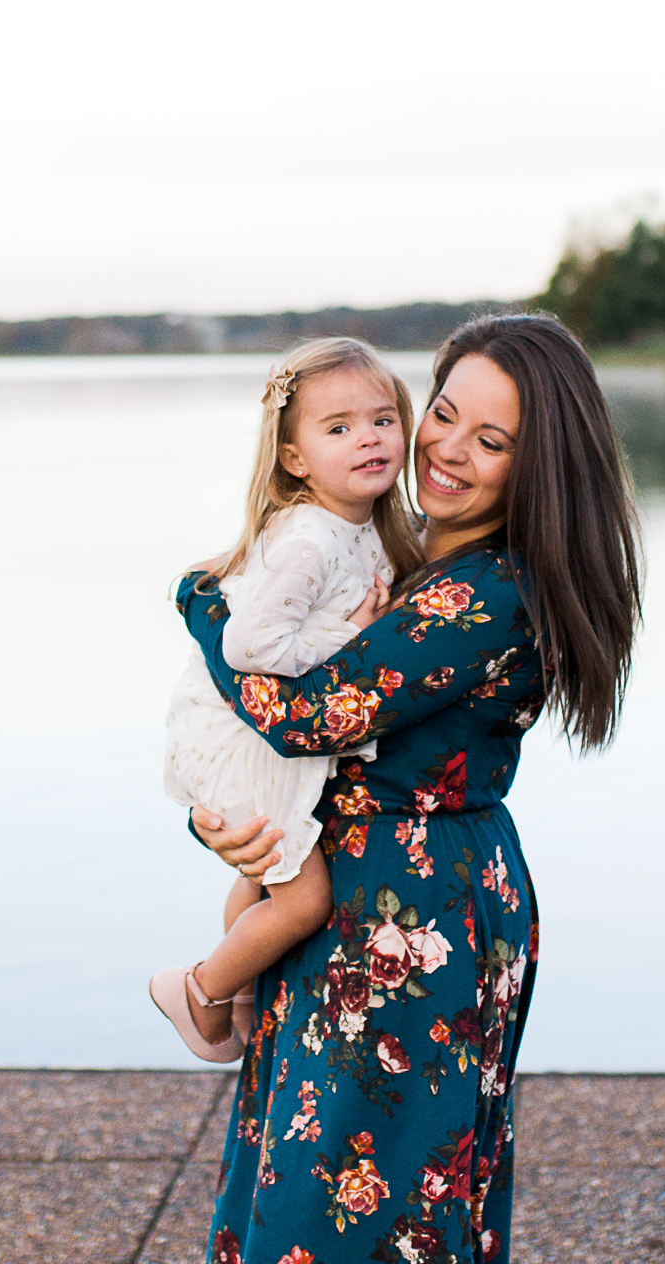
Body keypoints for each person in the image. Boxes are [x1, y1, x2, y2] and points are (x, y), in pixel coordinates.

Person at [178, 313, 641, 1264]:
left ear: (540, 464)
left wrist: (198, 605)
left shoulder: (488, 591)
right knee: (311, 1174)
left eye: (493, 439)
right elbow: (292, 747)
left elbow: (305, 716)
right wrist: (214, 822)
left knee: (368, 1203)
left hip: (410, 920)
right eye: (442, 414)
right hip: (355, 896)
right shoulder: (396, 552)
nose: (447, 450)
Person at [152, 337, 423, 1061]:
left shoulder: (359, 524)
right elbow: (248, 649)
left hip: (246, 735)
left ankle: (236, 994)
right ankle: (199, 989)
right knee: (303, 899)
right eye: (338, 428)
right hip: (234, 736)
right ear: (295, 459)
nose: (367, 437)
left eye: (382, 419)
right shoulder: (311, 536)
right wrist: (345, 641)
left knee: (268, 875)